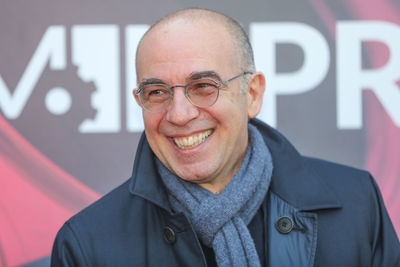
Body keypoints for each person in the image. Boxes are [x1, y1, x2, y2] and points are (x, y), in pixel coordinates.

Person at [51, 8, 400, 267]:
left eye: (203, 86)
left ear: (252, 93)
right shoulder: (87, 245)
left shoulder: (356, 206)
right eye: (156, 92)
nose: (179, 114)